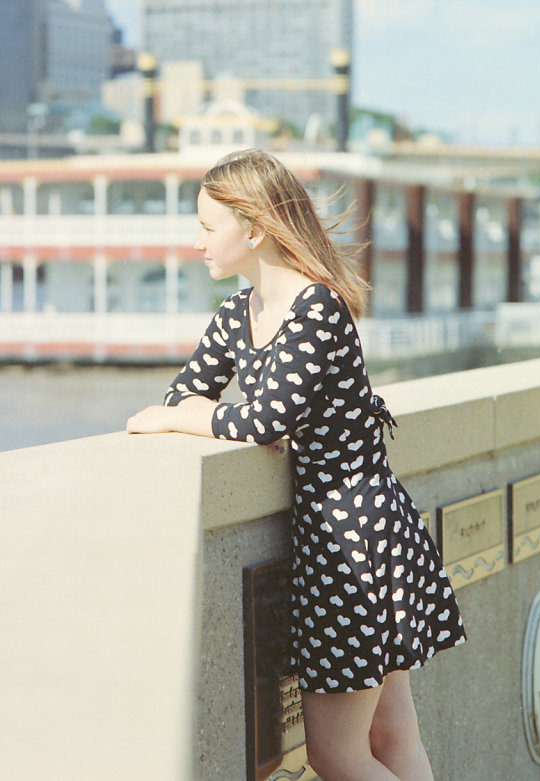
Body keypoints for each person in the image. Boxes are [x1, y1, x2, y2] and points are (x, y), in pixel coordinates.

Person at [126, 149, 465, 781]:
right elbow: (189, 391)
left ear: (253, 230)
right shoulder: (238, 314)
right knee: (391, 738)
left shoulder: (319, 310)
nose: (194, 241)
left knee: (339, 757)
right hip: (346, 534)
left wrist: (183, 419)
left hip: (355, 539)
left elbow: (255, 421)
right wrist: (197, 411)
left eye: (206, 227)